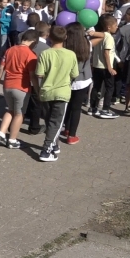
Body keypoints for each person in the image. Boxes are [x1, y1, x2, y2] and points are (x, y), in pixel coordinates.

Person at [35, 26, 79, 162]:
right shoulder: (71, 54)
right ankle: (46, 150)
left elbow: (39, 74)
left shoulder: (44, 53)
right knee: (56, 123)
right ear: (65, 37)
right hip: (62, 92)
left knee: (49, 121)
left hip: (46, 91)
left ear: (49, 37)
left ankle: (54, 144)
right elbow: (75, 74)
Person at [0, 30, 39, 149]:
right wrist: (37, 89)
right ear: (33, 41)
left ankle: (1, 133)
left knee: (10, 110)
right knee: (19, 114)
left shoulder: (9, 50)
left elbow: (1, 68)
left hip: (7, 85)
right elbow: (32, 75)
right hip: (21, 87)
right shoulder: (31, 55)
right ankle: (12, 140)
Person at [60, 23, 93, 145]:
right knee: (76, 108)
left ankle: (66, 128)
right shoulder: (87, 44)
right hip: (82, 79)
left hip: (67, 79)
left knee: (67, 105)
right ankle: (72, 135)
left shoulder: (64, 45)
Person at [89, 15, 119, 119]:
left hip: (97, 65)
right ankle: (105, 109)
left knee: (96, 87)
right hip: (106, 67)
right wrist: (110, 68)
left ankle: (92, 107)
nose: (117, 27)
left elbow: (94, 51)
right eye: (115, 25)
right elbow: (106, 53)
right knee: (109, 88)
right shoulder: (109, 37)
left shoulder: (98, 36)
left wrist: (93, 63)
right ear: (108, 27)